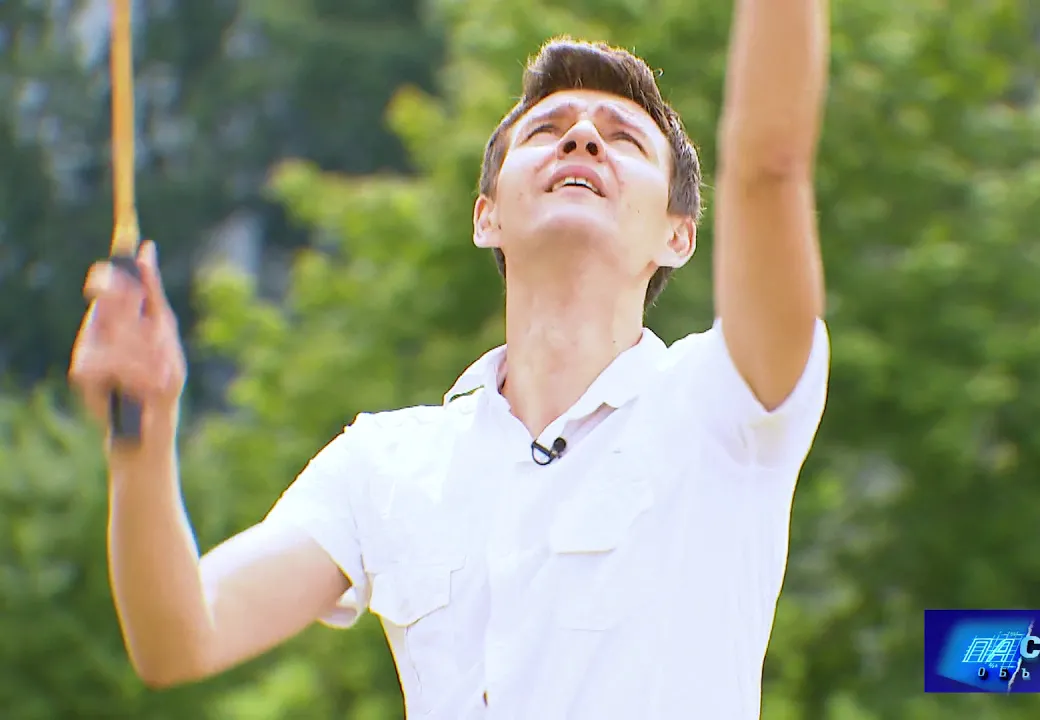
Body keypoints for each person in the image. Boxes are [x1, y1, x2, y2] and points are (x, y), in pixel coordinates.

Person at [69, 0, 830, 716]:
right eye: (546, 130)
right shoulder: (384, 461)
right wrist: (141, 439)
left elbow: (769, 167)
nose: (581, 139)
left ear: (678, 235)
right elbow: (179, 638)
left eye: (624, 139)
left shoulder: (726, 405)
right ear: (486, 216)